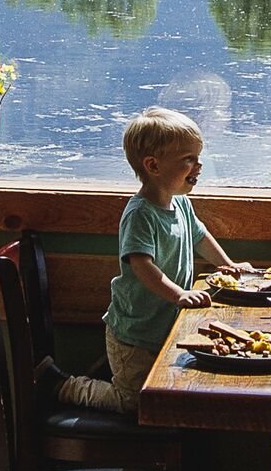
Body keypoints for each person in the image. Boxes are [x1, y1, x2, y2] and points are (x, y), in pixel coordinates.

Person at [63, 106, 242, 413]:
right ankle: (67, 387)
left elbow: (200, 237)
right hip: (136, 332)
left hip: (164, 326)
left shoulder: (181, 204)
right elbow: (142, 266)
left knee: (162, 390)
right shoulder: (140, 214)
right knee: (134, 401)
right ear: (153, 165)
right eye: (188, 159)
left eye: (198, 157)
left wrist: (229, 265)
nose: (198, 166)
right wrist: (180, 294)